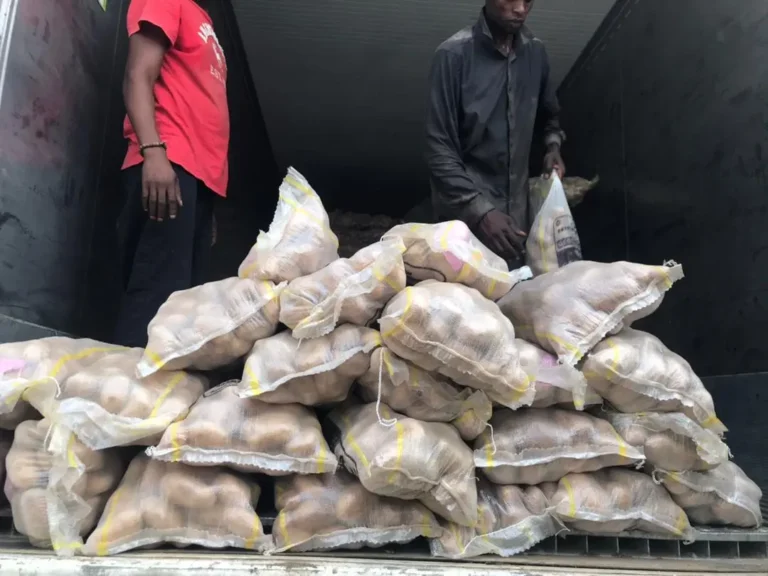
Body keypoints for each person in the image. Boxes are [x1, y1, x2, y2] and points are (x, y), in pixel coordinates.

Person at [113, 0, 229, 347]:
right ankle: (127, 379)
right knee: (156, 298)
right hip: (168, 160)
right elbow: (137, 75)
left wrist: (204, 197)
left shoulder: (202, 18)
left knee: (181, 309)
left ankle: (160, 381)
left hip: (194, 177)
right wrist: (153, 151)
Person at [426, 0, 565, 265]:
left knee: (518, 288)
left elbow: (549, 115)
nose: (521, 9)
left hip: (517, 227)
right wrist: (480, 212)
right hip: (463, 227)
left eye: (528, 1)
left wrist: (552, 147)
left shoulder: (535, 52)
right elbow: (439, 150)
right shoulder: (453, 55)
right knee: (464, 290)